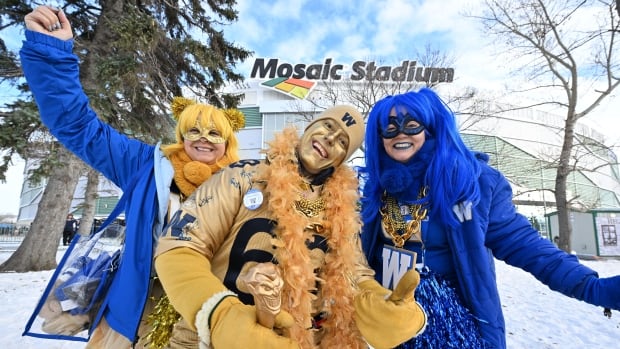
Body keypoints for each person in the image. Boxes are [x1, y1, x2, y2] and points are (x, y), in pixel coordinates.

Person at [20, 6, 244, 348]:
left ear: (228, 142)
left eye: (215, 133)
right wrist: (51, 54)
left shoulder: (243, 184)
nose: (203, 138)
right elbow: (79, 126)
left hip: (208, 319)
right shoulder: (146, 164)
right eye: (194, 130)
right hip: (134, 318)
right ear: (181, 135)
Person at [359, 88, 620, 349]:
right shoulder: (374, 189)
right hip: (386, 322)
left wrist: (590, 286)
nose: (401, 133)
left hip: (454, 326)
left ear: (432, 129)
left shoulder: (474, 183)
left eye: (412, 125)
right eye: (389, 127)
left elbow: (524, 244)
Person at [154, 106, 428, 349]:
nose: (330, 139)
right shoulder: (241, 177)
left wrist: (382, 308)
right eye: (328, 126)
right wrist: (219, 315)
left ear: (341, 159)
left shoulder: (342, 211)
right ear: (310, 126)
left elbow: (353, 274)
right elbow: (179, 247)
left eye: (342, 142)